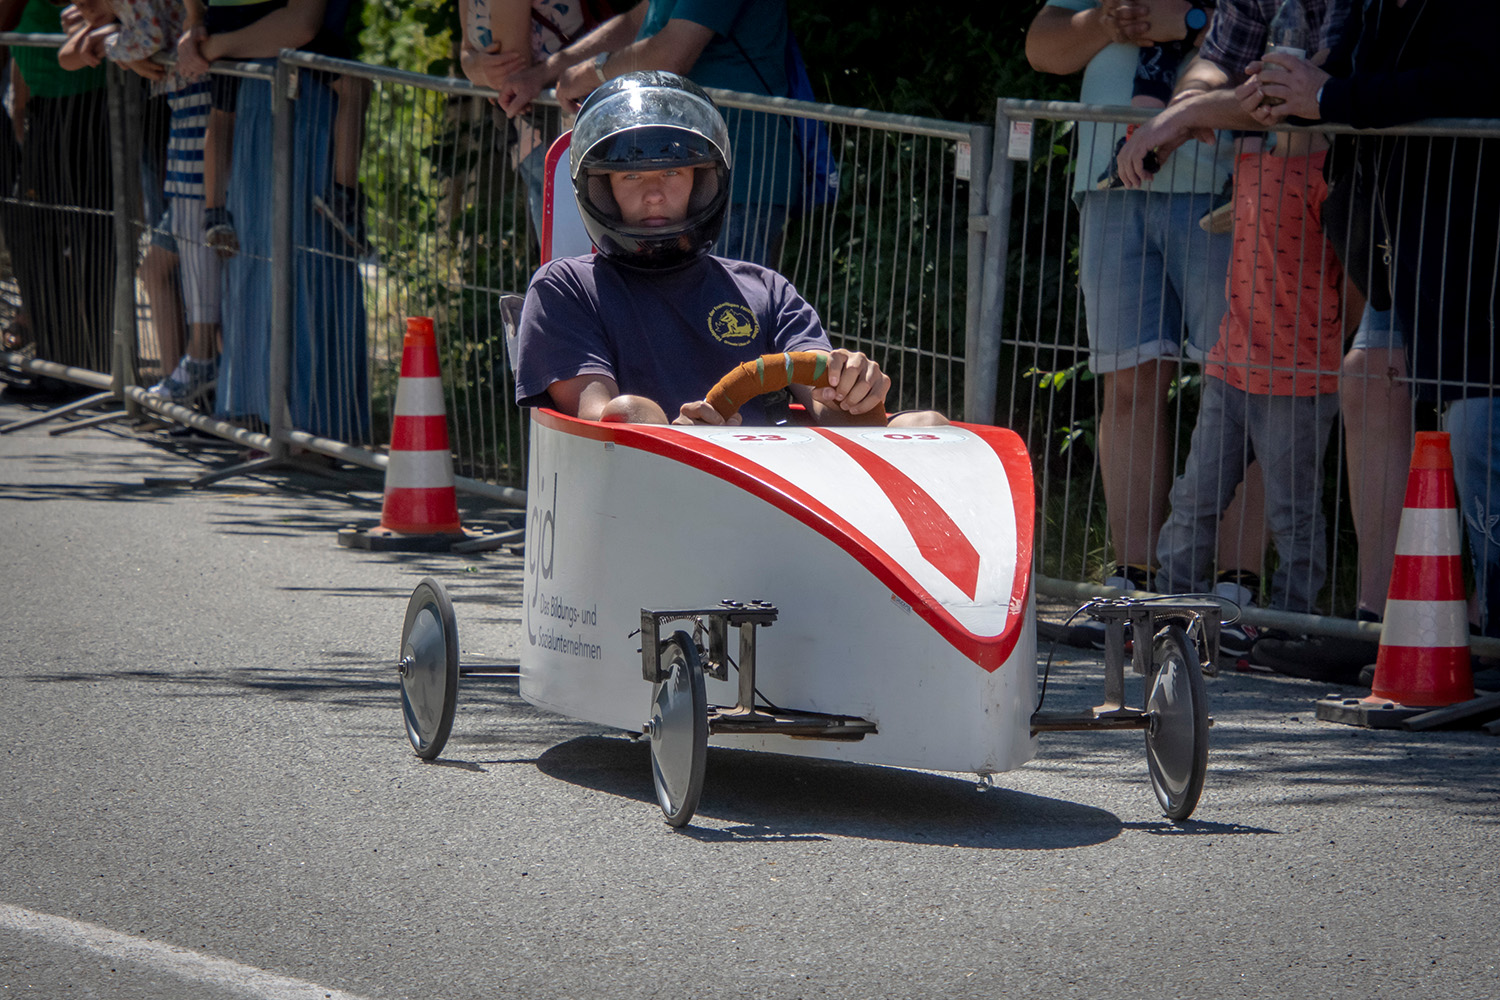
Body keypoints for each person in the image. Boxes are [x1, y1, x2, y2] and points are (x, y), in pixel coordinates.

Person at [1244, 0, 1500, 685]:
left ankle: (1490, 631)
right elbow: (1347, 78)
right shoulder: (1377, 6)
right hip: (1405, 237)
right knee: (1367, 378)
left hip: (1478, 238)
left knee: (1478, 425)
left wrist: (1329, 97)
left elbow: (1466, 83)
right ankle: (1381, 622)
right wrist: (1290, 95)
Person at [1025, 0, 1267, 654]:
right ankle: (1134, 584)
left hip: (1224, 183)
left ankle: (1234, 595)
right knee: (1127, 385)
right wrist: (1112, 23)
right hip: (1111, 181)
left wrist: (1191, 22)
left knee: (1246, 387)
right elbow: (1043, 46)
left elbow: (1280, 31)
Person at [514, 70, 943, 430]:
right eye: (631, 177)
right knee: (632, 411)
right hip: (642, 485)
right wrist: (675, 440)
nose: (655, 195)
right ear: (601, 189)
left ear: (703, 182)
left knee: (928, 425)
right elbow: (599, 418)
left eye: (673, 173)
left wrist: (852, 387)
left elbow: (826, 403)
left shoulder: (765, 290)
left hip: (768, 483)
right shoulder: (566, 287)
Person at [485, 0, 802, 267]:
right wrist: (543, 74)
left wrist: (590, 74)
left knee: (716, 316)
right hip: (693, 173)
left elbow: (671, 53)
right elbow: (636, 21)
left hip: (738, 180)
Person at [185, 0, 369, 442]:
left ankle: (305, 425)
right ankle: (265, 418)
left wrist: (210, 43)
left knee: (302, 276)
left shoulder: (230, 38)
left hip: (298, 111)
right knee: (260, 275)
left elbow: (302, 26)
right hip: (264, 118)